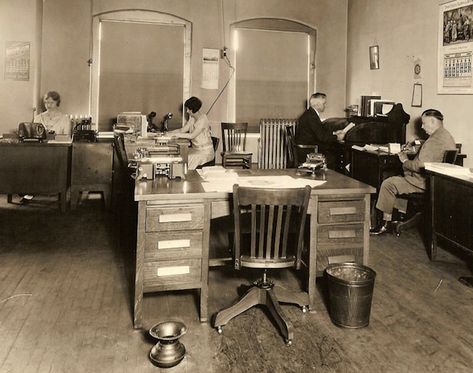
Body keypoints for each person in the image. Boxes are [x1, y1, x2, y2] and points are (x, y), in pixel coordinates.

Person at [370, 109, 456, 235]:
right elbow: (431, 154)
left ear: (432, 121)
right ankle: (400, 216)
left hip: (422, 183)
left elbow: (419, 165)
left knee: (388, 183)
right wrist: (420, 146)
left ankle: (385, 224)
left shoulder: (434, 141)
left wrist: (404, 160)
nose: (422, 126)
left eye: (424, 123)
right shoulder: (445, 135)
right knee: (398, 179)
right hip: (436, 182)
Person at [295, 92, 346, 169]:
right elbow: (322, 137)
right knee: (335, 155)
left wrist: (334, 133)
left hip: (308, 147)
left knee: (334, 150)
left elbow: (320, 132)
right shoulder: (312, 116)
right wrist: (337, 137)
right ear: (317, 104)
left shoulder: (310, 114)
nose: (325, 106)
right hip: (309, 150)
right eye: (324, 103)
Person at [169, 96, 214, 170]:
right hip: (195, 149)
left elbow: (192, 136)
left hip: (205, 152)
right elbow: (182, 130)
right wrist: (168, 133)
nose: (187, 111)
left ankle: (186, 177)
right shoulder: (192, 118)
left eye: (188, 109)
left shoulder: (203, 120)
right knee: (179, 155)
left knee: (187, 159)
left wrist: (175, 135)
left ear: (193, 109)